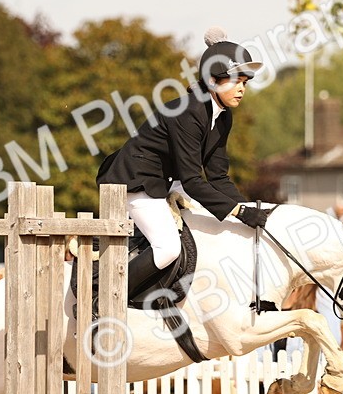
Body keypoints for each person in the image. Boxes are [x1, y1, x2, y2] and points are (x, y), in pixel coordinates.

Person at [96, 27, 273, 299]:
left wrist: (247, 209)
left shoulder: (222, 116)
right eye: (235, 81)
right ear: (213, 81)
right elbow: (192, 180)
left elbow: (218, 177)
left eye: (245, 82)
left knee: (211, 229)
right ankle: (106, 296)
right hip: (135, 182)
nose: (241, 88)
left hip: (165, 182)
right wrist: (238, 212)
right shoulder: (190, 111)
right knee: (168, 248)